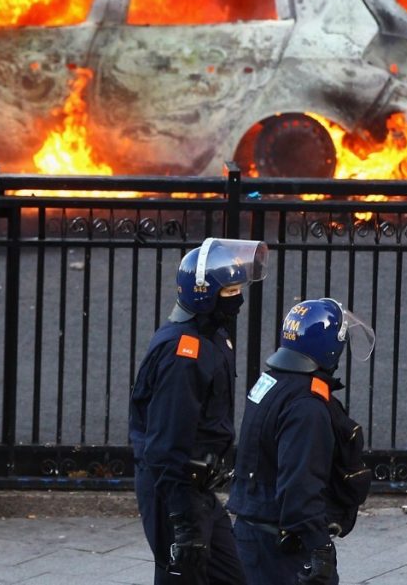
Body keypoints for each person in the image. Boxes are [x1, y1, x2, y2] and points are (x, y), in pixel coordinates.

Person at [129, 237, 269, 583]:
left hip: (196, 488)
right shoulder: (184, 353)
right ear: (205, 294)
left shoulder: (209, 336)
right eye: (229, 290)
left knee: (229, 576)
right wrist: (184, 522)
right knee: (183, 574)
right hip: (175, 490)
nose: (238, 298)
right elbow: (166, 445)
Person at [228, 298, 375, 585]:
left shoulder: (272, 383)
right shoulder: (308, 406)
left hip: (253, 532)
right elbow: (299, 485)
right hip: (281, 549)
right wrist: (318, 544)